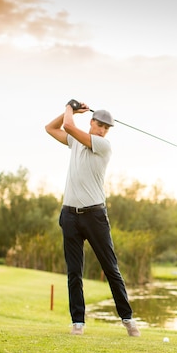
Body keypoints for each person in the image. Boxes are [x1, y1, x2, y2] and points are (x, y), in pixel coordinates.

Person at [45, 99, 140, 337]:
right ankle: (78, 322)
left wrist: (70, 108)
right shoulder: (76, 142)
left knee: (111, 268)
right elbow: (51, 128)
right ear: (92, 122)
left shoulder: (102, 145)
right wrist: (69, 111)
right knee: (74, 272)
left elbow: (68, 126)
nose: (103, 130)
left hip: (95, 216)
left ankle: (127, 319)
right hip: (69, 215)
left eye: (107, 128)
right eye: (100, 125)